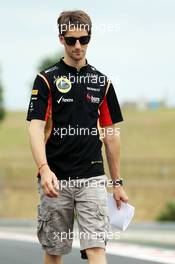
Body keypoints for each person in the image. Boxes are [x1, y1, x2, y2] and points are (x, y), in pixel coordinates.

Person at [26, 10, 128, 264]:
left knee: (96, 248)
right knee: (54, 250)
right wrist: (44, 168)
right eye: (71, 40)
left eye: (84, 39)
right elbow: (35, 128)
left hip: (92, 178)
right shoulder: (46, 80)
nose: (78, 46)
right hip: (55, 180)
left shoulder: (102, 82)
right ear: (61, 39)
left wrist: (117, 183)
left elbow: (111, 135)